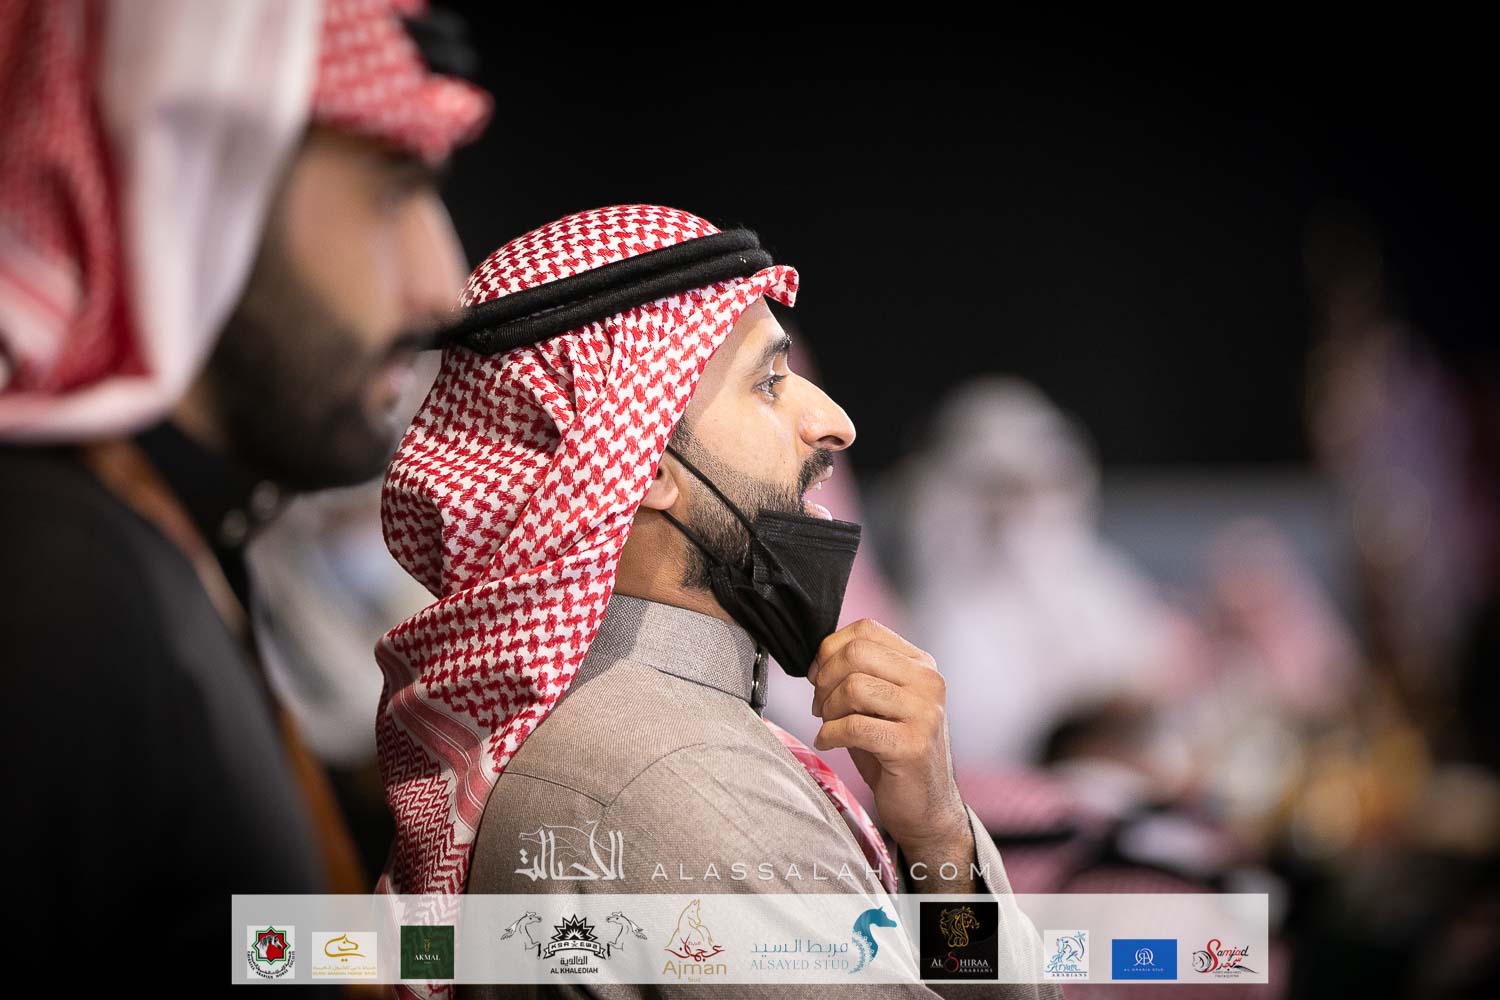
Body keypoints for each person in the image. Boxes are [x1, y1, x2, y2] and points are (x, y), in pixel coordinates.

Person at [373, 204, 1058, 998]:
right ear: (643, 462)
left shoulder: (656, 736)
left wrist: (938, 838)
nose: (835, 424)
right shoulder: (692, 784)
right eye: (769, 383)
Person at [0, 0, 490, 989]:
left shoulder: (151, 535)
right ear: (194, 177)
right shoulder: (53, 581)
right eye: (393, 189)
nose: (444, 288)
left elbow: (255, 944)